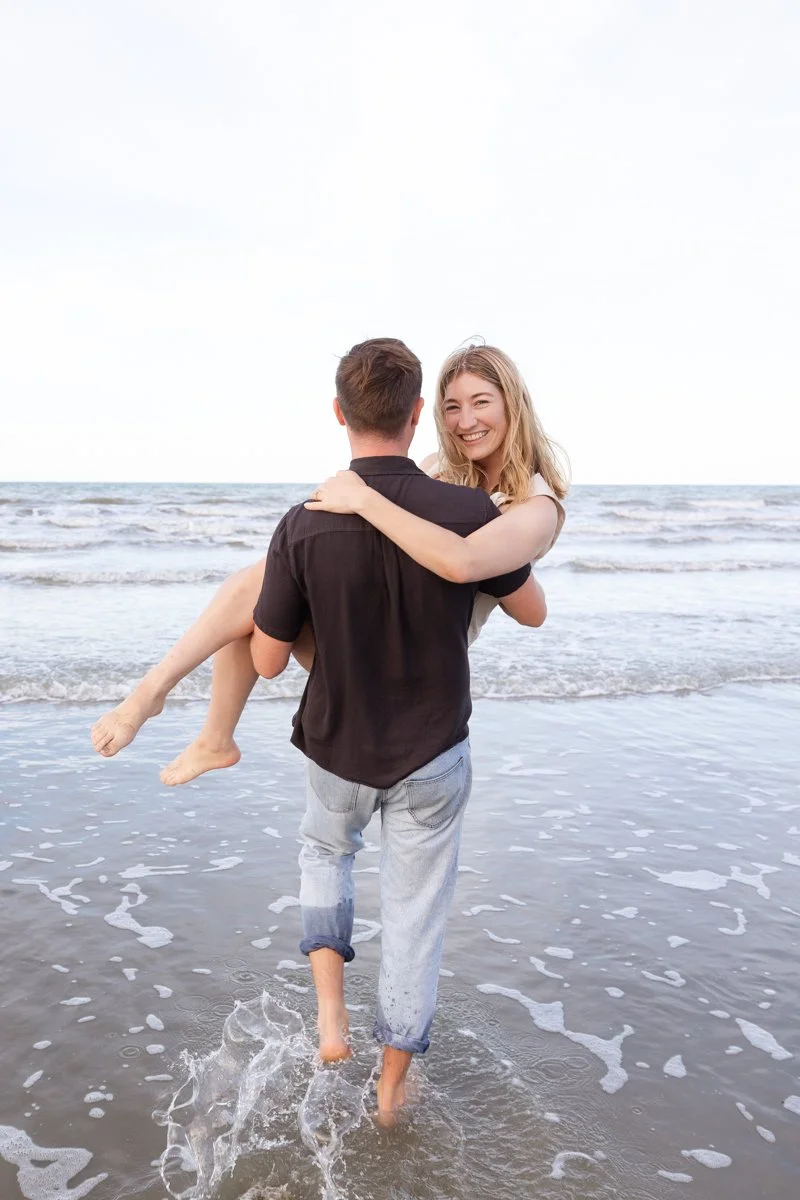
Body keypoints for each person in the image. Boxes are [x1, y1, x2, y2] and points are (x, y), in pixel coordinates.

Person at [244, 337, 550, 1124]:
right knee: (416, 916)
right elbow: (526, 606)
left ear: (339, 414)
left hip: (340, 742)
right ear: (420, 416)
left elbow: (269, 660)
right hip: (435, 751)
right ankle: (390, 1092)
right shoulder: (472, 511)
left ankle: (331, 1016)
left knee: (324, 853)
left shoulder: (304, 520)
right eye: (451, 405)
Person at [90, 343, 566, 783]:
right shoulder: (438, 472)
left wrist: (363, 499)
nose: (465, 421)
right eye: (452, 407)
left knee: (257, 587)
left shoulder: (535, 505)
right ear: (428, 413)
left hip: (420, 648)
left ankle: (167, 707)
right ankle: (204, 732)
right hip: (367, 619)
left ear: (512, 404)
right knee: (260, 586)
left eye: (481, 402)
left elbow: (479, 575)